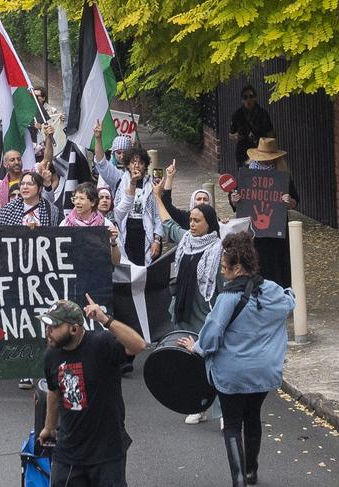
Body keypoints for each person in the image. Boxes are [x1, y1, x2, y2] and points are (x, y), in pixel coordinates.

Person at [178, 232, 295, 486]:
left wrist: (194, 347)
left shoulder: (227, 299)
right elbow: (289, 302)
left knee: (232, 424)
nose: (222, 272)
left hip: (232, 375)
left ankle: (239, 479)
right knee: (253, 418)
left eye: (224, 267)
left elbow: (210, 338)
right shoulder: (271, 291)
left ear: (237, 267)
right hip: (264, 373)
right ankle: (251, 471)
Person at [39, 296, 146, 487]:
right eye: (46, 326)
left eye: (53, 327)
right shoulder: (51, 355)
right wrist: (48, 428)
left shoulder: (102, 344)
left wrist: (106, 320)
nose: (48, 332)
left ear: (74, 328)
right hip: (69, 451)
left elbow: (138, 345)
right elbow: (54, 392)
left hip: (107, 452)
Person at [153, 179, 224, 425]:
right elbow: (168, 224)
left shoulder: (219, 250)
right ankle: (198, 405)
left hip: (206, 312)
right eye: (191, 220)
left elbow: (223, 287)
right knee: (188, 360)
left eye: (197, 221)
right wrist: (157, 197)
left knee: (211, 359)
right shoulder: (185, 240)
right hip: (183, 311)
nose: (192, 225)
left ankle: (222, 410)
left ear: (209, 223)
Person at [229, 138, 299, 287]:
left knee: (277, 266)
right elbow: (235, 199)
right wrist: (234, 199)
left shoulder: (282, 174)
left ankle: (277, 296)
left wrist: (289, 202)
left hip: (276, 232)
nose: (267, 162)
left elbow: (295, 201)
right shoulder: (246, 172)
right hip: (253, 233)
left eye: (270, 159)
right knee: (253, 262)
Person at [95, 122, 163, 266]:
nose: (136, 166)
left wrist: (157, 239)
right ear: (127, 165)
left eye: (140, 163)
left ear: (145, 166)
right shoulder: (119, 178)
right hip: (125, 232)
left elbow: (158, 215)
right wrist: (98, 138)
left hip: (146, 234)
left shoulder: (152, 184)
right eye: (132, 162)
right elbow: (101, 163)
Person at [0, 126, 55, 210]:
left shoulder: (32, 174)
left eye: (19, 159)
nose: (16, 162)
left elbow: (46, 160)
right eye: (12, 160)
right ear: (5, 164)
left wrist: (48, 138)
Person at [61, 182, 121, 265]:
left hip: (97, 274)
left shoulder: (106, 225)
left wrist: (113, 241)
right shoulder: (65, 224)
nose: (77, 202)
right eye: (75, 198)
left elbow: (116, 262)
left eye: (81, 198)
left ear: (93, 202)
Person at [229, 85, 275, 168]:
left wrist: (269, 150)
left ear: (255, 98)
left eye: (251, 96)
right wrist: (235, 136)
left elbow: (270, 133)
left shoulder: (262, 114)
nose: (248, 100)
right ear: (242, 100)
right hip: (243, 152)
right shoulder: (237, 115)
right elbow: (231, 134)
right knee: (244, 177)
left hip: (261, 152)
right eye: (245, 97)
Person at [162, 160, 213, 230]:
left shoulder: (214, 219)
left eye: (205, 199)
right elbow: (166, 203)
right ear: (193, 202)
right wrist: (169, 178)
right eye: (198, 199)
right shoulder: (184, 217)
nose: (202, 202)